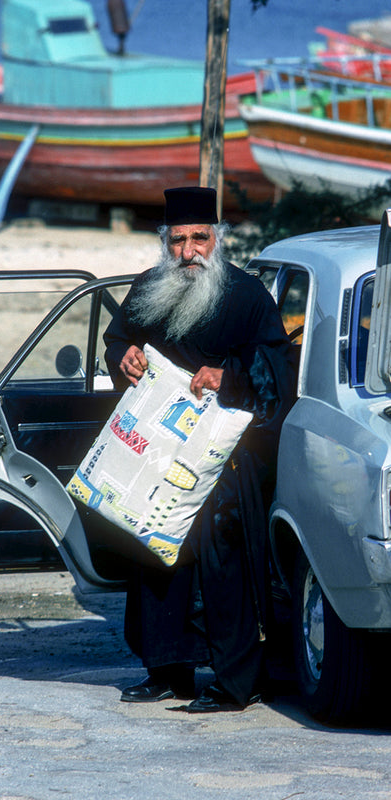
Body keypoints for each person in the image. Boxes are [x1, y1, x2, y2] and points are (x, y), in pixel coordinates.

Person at [103, 186, 296, 712]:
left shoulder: (246, 296)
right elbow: (116, 338)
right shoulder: (148, 288)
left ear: (218, 239)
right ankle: (169, 671)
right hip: (159, 449)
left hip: (224, 458)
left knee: (222, 562)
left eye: (200, 238)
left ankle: (238, 681)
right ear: (165, 242)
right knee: (156, 552)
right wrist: (123, 358)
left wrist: (227, 375)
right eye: (179, 240)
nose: (189, 251)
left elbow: (277, 372)